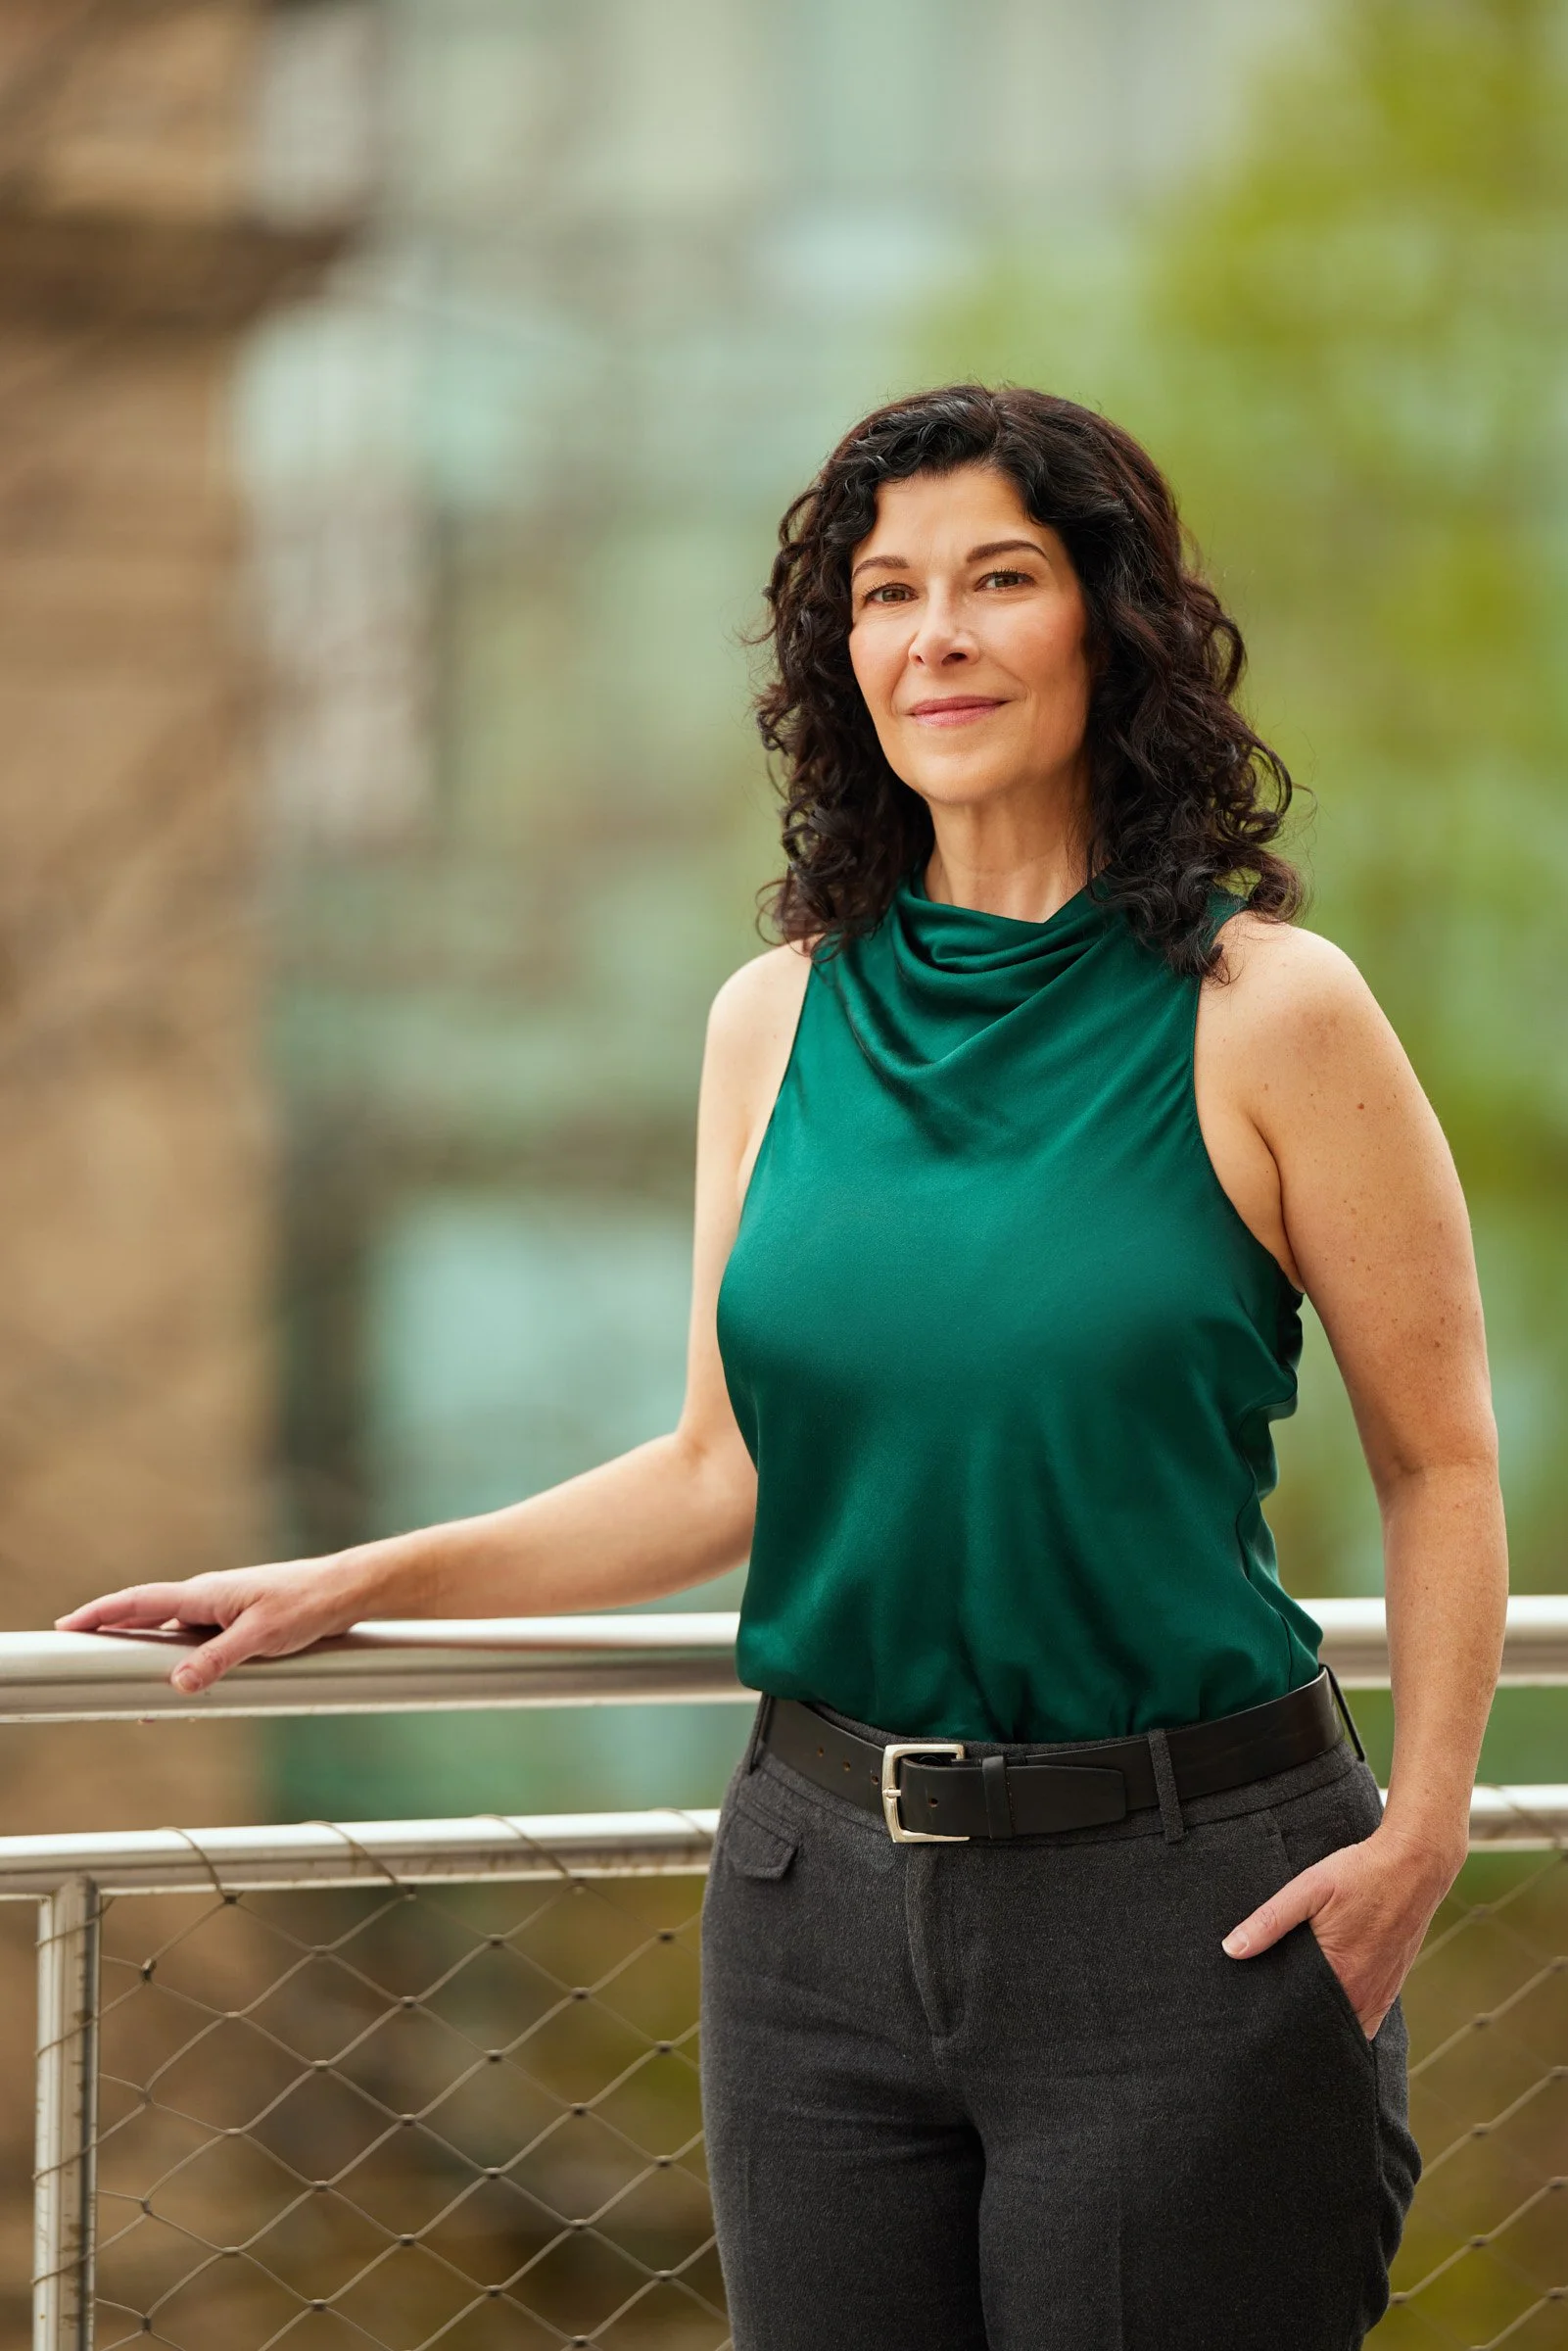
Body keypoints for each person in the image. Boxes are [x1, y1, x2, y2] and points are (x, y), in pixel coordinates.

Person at [59, 384, 1507, 2351]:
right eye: (884, 593)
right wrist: (359, 1582)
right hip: (811, 1912)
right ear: (837, 656)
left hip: (1192, 1911)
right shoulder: (772, 1019)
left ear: (1105, 620)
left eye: (996, 579)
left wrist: (1419, 1834)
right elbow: (714, 1472)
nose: (935, 636)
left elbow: (1433, 1460)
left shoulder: (1265, 1012)